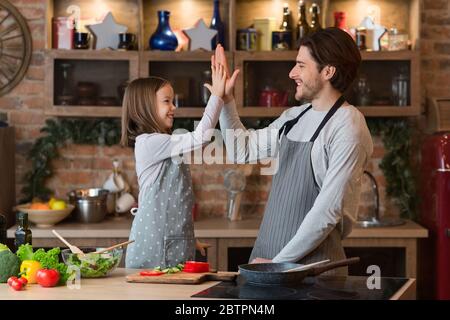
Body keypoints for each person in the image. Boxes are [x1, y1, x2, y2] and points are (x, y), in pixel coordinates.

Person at [216, 28, 374, 274]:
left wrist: (280, 264)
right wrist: (225, 101)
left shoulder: (348, 125)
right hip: (267, 260)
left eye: (301, 65)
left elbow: (328, 210)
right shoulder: (295, 116)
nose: (292, 73)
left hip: (313, 273)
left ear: (328, 71)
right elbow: (241, 149)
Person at [122, 62, 227, 269]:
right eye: (167, 102)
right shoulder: (149, 143)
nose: (173, 108)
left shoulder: (164, 144)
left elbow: (176, 206)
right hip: (153, 251)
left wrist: (188, 239)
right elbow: (201, 137)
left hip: (174, 245)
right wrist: (217, 97)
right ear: (145, 107)